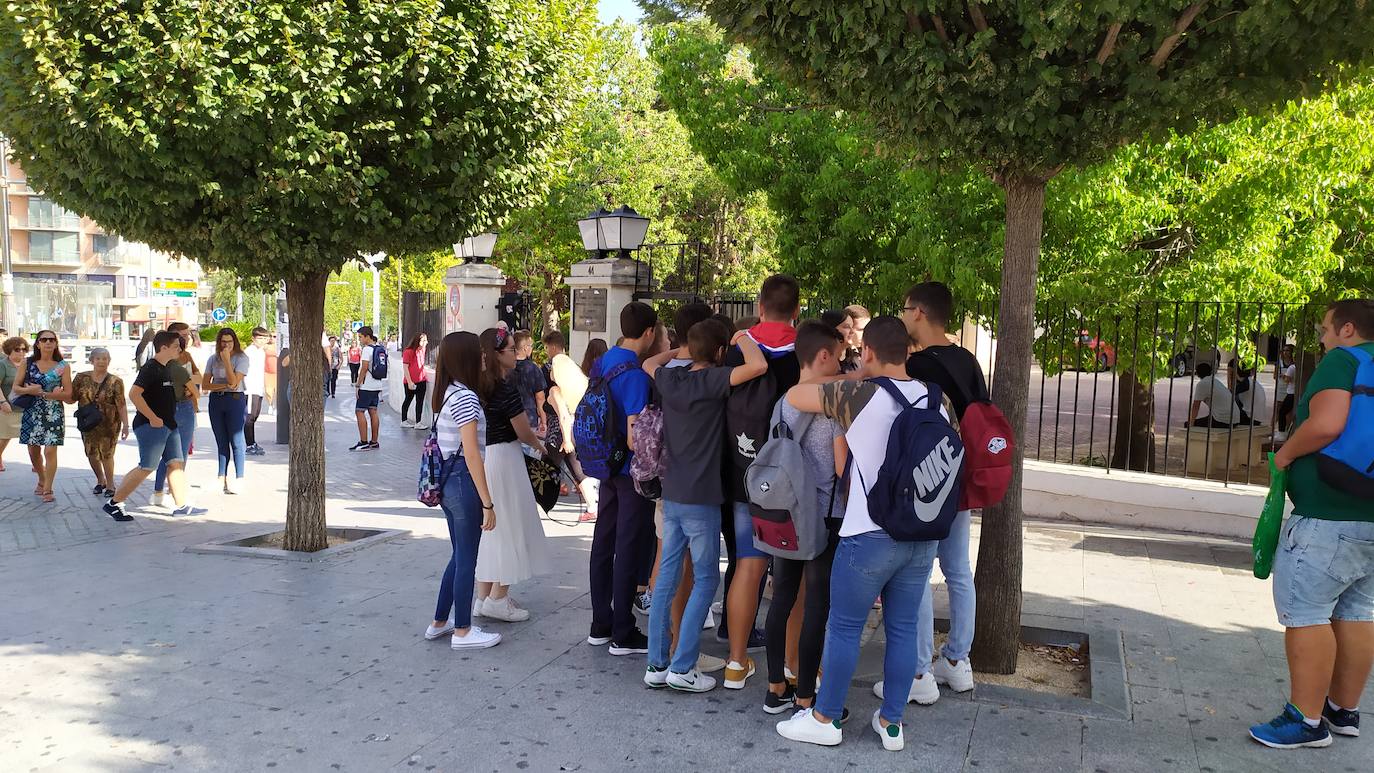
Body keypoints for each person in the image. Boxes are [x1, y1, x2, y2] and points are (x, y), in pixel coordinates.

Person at [776, 316, 951, 751]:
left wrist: (853, 374)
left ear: (868, 352)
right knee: (904, 627)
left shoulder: (859, 393)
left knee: (844, 627)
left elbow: (796, 395)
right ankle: (892, 723)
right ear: (907, 352)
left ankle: (825, 718)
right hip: (921, 534)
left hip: (868, 534)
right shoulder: (937, 398)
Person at [1249, 298, 1374, 749]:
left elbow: (1325, 425)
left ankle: (1306, 720)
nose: (1321, 338)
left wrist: (1284, 454)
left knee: (1306, 613)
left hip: (1328, 515)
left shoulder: (1344, 361)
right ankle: (1344, 711)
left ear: (1347, 329)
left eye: (1324, 329)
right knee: (1360, 612)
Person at [640, 318, 766, 693]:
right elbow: (758, 367)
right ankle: (683, 666)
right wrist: (746, 336)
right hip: (702, 496)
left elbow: (649, 364)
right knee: (707, 579)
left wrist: (679, 352)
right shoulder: (713, 381)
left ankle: (657, 662)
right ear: (721, 352)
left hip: (672, 492)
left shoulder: (670, 379)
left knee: (667, 577)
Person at [885, 281, 989, 705]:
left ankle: (920, 670)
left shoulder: (923, 367)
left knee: (921, 572)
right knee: (958, 570)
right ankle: (958, 661)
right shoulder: (969, 360)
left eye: (905, 308)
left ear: (919, 313)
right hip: (964, 477)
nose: (903, 315)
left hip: (931, 479)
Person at [762, 321, 849, 714]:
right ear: (824, 355)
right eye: (840, 355)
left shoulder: (782, 402)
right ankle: (806, 697)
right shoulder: (828, 407)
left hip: (785, 514)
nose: (843, 364)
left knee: (781, 600)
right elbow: (840, 464)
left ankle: (775, 687)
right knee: (817, 605)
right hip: (823, 518)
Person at [721, 275, 802, 690]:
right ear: (797, 308)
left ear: (759, 303)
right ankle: (791, 664)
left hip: (742, 473)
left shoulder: (737, 348)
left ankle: (736, 663)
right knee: (795, 578)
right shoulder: (803, 352)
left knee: (747, 568)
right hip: (791, 483)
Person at [586, 303, 658, 656]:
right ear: (649, 332)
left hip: (604, 464)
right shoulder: (636, 377)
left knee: (603, 541)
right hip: (630, 470)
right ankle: (623, 631)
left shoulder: (605, 360)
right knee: (629, 545)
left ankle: (601, 622)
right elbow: (635, 436)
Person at [425, 331, 502, 650]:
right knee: (468, 558)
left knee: (459, 556)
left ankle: (440, 622)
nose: (485, 357)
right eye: (480, 353)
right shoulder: (466, 398)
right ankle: (463, 631)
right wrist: (488, 503)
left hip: (445, 481)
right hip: (462, 482)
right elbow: (471, 454)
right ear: (466, 357)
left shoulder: (448, 394)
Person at [470, 328, 551, 622]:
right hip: (506, 457)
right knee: (512, 525)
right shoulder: (504, 388)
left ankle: (484, 597)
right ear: (497, 355)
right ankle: (497, 597)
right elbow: (522, 431)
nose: (515, 354)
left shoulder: (481, 385)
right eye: (510, 349)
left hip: (493, 457)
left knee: (494, 529)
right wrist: (541, 445)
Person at [102, 331, 205, 522]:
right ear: (163, 348)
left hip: (169, 425)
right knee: (147, 466)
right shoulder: (151, 368)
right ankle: (114, 503)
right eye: (175, 346)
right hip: (152, 426)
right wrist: (152, 417)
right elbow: (134, 394)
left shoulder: (168, 367)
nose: (179, 349)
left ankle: (182, 505)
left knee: (175, 463)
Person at [542, 330, 598, 522]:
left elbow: (563, 416)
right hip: (574, 430)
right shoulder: (575, 378)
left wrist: (566, 440)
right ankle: (592, 506)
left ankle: (537, 503)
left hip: (560, 435)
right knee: (577, 470)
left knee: (545, 469)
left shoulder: (556, 390)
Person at [14, 330, 71, 503]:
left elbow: (68, 394)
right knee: (33, 449)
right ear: (38, 343)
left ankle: (48, 488)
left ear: (56, 343)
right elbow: (16, 388)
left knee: (50, 449)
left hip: (53, 411)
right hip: (32, 410)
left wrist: (50, 395)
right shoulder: (28, 362)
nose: (48, 342)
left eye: (51, 339)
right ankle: (41, 477)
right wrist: (30, 390)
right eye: (44, 339)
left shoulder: (62, 366)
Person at [152, 322, 202, 508]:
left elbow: (198, 378)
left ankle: (177, 493)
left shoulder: (187, 356)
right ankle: (159, 491)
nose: (186, 338)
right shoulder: (158, 361)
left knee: (181, 454)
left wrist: (190, 388)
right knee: (166, 454)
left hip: (186, 407)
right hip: (168, 408)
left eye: (187, 334)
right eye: (181, 334)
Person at [72, 347, 129, 497]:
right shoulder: (81, 378)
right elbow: (71, 397)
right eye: (98, 358)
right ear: (92, 361)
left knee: (107, 454)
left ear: (109, 361)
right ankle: (100, 480)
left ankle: (110, 485)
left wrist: (126, 425)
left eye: (105, 359)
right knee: (91, 453)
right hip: (88, 422)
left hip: (109, 424)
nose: (101, 361)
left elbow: (121, 404)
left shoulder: (116, 381)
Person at [202, 327, 250, 494]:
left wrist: (228, 361)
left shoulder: (241, 358)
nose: (226, 345)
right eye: (223, 342)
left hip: (235, 400)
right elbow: (205, 385)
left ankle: (239, 478)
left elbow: (234, 382)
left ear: (234, 342)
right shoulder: (212, 359)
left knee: (236, 440)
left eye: (229, 342)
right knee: (221, 441)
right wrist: (223, 385)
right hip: (216, 400)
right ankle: (221, 477)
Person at [350, 326, 385, 451]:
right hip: (377, 385)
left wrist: (358, 385)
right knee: (373, 412)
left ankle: (363, 442)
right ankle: (374, 442)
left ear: (367, 336)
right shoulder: (380, 348)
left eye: (360, 337)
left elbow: (364, 368)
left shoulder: (366, 350)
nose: (359, 339)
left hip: (367, 386)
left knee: (359, 411)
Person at [509, 330, 547, 437]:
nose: (531, 348)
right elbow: (540, 398)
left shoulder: (504, 367)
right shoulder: (533, 368)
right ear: (525, 348)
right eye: (531, 345)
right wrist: (544, 421)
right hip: (528, 417)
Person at [0, 336, 29, 471]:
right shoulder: (3, 364)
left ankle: (37, 463)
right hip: (8, 407)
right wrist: (2, 402)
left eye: (24, 349)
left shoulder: (28, 364)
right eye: (17, 349)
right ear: (9, 350)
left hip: (26, 406)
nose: (21, 352)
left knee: (32, 438)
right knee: (5, 437)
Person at [1186, 362, 1239, 428]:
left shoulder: (1202, 384)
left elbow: (1196, 406)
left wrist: (1191, 423)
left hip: (1224, 421)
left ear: (1198, 374)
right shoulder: (1215, 381)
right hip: (1235, 420)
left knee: (1187, 424)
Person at [244, 327, 269, 455]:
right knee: (249, 417)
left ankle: (252, 442)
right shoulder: (249, 352)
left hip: (258, 388)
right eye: (260, 338)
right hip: (250, 389)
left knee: (255, 415)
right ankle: (249, 444)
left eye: (265, 338)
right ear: (253, 338)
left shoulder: (261, 352)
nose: (263, 341)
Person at [399, 333, 430, 427]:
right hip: (410, 381)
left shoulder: (422, 350)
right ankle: (403, 420)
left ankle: (418, 422)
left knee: (419, 402)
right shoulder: (408, 352)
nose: (426, 342)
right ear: (418, 341)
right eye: (424, 340)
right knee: (408, 400)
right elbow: (405, 367)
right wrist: (409, 382)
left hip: (421, 380)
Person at [1275, 344, 1298, 439]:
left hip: (1291, 393)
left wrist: (1283, 376)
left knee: (1282, 412)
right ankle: (1284, 431)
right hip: (1290, 392)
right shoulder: (1295, 366)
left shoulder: (1292, 367)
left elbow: (1287, 379)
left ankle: (1281, 433)